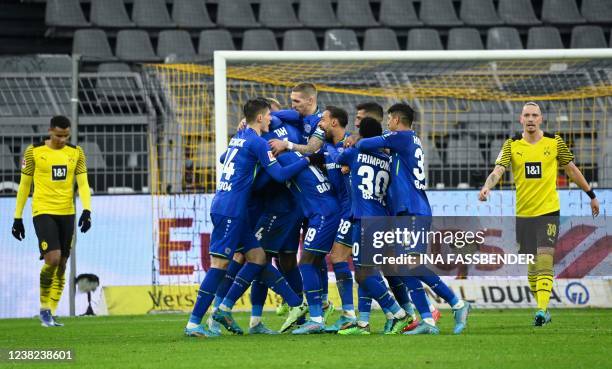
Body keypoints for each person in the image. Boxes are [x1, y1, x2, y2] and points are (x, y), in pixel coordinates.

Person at [184, 99, 311, 337]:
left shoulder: (239, 137)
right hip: (231, 209)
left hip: (229, 206)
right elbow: (280, 174)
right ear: (261, 118)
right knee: (220, 265)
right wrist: (306, 160)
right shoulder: (258, 142)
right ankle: (195, 323)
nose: (272, 120)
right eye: (268, 116)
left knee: (257, 257)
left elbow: (225, 159)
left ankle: (294, 304)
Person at [479, 101, 599, 326]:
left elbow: (571, 169)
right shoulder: (512, 144)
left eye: (535, 115)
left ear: (541, 119)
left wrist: (591, 194)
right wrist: (488, 186)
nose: (531, 119)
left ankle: (542, 310)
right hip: (524, 215)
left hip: (548, 211)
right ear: (521, 120)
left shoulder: (554, 142)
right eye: (527, 115)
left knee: (545, 260)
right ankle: (542, 306)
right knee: (532, 269)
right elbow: (499, 170)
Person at [356, 103, 471, 335]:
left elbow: (363, 143)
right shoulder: (409, 141)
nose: (387, 123)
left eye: (389, 119)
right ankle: (428, 320)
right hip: (408, 210)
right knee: (404, 268)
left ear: (397, 120)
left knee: (409, 266)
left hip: (412, 210)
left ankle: (456, 303)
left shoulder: (402, 137)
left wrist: (362, 141)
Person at [11, 115, 92, 327]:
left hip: (67, 212)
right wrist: (17, 217)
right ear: (50, 131)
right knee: (53, 259)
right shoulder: (34, 152)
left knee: (63, 264)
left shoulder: (76, 153)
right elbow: (24, 185)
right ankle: (44, 309)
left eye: (66, 136)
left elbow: (83, 184)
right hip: (43, 211)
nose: (62, 140)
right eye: (58, 135)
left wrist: (87, 210)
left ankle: (52, 312)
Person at [336, 117, 412, 336]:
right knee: (366, 271)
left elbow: (341, 158)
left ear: (362, 135)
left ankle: (398, 313)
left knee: (364, 273)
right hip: (381, 218)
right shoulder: (387, 160)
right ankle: (363, 323)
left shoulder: (354, 153)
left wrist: (348, 150)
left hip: (364, 220)